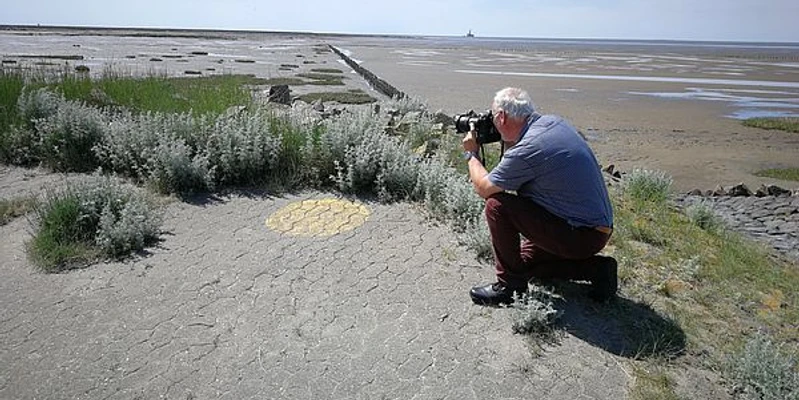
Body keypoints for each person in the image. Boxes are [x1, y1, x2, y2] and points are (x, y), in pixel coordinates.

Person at [462, 87, 617, 305]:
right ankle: (598, 270)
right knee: (523, 263)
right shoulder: (553, 123)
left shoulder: (529, 148)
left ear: (502, 117)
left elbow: (485, 189)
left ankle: (509, 287)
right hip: (594, 229)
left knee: (497, 205)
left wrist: (472, 153)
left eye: (493, 117)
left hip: (580, 235)